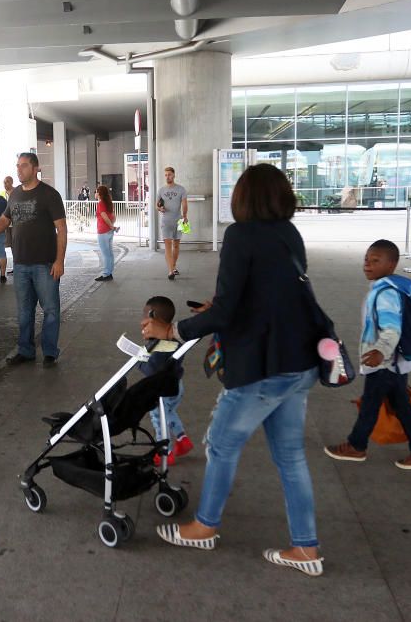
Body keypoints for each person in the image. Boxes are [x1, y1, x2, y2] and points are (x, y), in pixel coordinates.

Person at [142, 164, 324, 576]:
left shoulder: (240, 236)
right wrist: (219, 308)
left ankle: (204, 526)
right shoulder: (289, 234)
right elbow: (266, 296)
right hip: (300, 361)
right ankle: (306, 548)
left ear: (244, 198)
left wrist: (173, 328)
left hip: (262, 365)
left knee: (222, 446)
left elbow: (229, 309)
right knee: (291, 457)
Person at [324, 240, 411, 470]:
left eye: (376, 261)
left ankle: (357, 446)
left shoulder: (386, 294)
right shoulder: (392, 288)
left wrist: (379, 352)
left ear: (392, 264)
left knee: (371, 404)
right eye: (366, 259)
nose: (367, 265)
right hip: (394, 362)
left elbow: (391, 329)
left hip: (385, 361)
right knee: (400, 405)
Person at [0, 153, 67, 368]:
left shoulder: (49, 194)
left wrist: (59, 261)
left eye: (24, 166)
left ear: (35, 169)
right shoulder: (14, 195)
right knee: (24, 311)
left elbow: (61, 228)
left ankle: (50, 352)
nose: (19, 169)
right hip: (21, 264)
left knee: (50, 310)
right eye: (17, 166)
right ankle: (26, 351)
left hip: (45, 264)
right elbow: (4, 221)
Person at [140, 296, 194, 467]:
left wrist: (140, 360)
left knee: (159, 419)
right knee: (169, 413)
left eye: (144, 316)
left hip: (161, 389)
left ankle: (165, 452)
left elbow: (152, 369)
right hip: (176, 385)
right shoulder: (174, 337)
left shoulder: (158, 345)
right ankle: (182, 439)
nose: (142, 321)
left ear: (152, 316)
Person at [157, 167, 188, 280]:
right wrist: (160, 209)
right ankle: (170, 271)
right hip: (166, 221)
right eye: (165, 175)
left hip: (179, 220)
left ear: (174, 175)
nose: (167, 177)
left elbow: (184, 204)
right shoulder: (161, 190)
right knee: (168, 246)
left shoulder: (181, 189)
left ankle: (173, 266)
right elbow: (157, 205)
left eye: (169, 174)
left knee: (176, 245)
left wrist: (185, 216)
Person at [94, 184, 117, 281]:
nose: (95, 193)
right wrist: (112, 226)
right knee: (110, 253)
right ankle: (109, 272)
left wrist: (111, 226)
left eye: (96, 191)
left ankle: (106, 274)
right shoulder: (109, 203)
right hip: (109, 231)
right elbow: (113, 216)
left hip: (103, 231)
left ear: (99, 193)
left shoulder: (100, 204)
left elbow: (104, 216)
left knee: (106, 254)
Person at [1, 175, 16, 271]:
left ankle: (18, 266)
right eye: (4, 182)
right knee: (10, 246)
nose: (5, 184)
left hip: (16, 224)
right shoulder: (2, 194)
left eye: (7, 182)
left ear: (11, 182)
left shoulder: (17, 192)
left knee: (17, 245)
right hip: (6, 225)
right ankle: (15, 266)